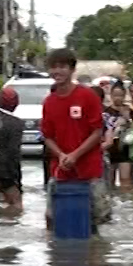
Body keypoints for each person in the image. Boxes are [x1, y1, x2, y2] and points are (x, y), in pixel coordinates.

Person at [39, 47, 110, 232]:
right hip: (60, 171)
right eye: (53, 67)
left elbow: (97, 131)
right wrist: (62, 155)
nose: (57, 71)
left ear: (72, 70)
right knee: (52, 222)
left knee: (96, 221)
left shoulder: (87, 96)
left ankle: (94, 259)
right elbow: (47, 136)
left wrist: (75, 155)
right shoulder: (49, 102)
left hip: (89, 171)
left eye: (62, 67)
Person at [103, 82, 133, 190]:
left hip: (126, 150)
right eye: (115, 95)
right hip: (110, 150)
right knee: (109, 182)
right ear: (110, 95)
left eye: (120, 95)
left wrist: (128, 119)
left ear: (125, 96)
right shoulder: (106, 112)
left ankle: (126, 202)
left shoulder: (130, 111)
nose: (118, 98)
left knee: (126, 180)